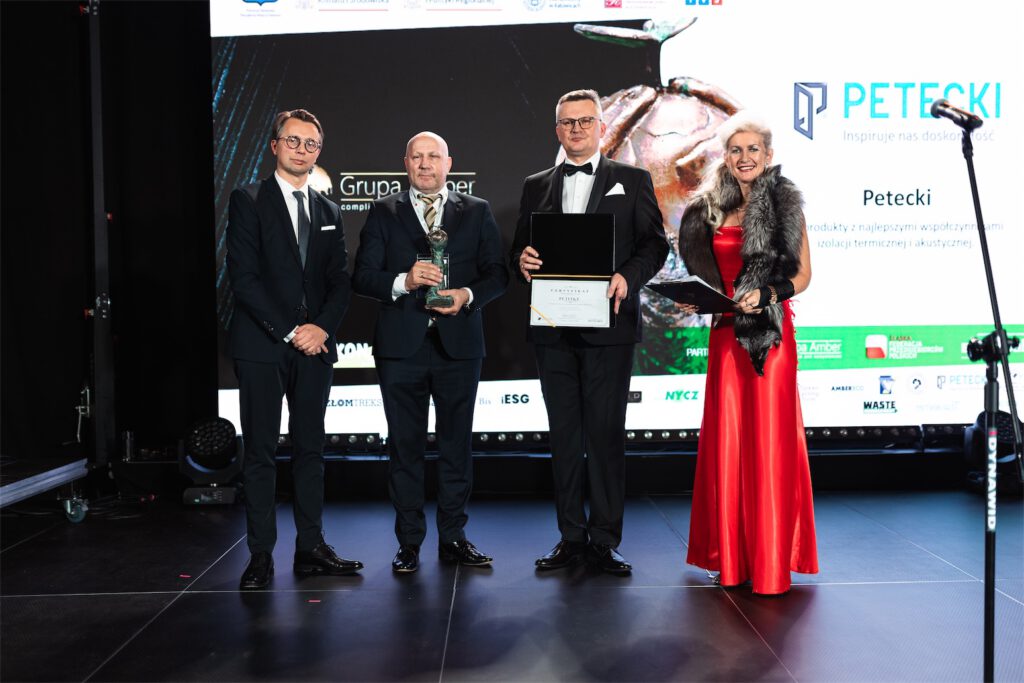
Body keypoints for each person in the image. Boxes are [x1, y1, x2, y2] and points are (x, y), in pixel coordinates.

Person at [510, 89, 669, 575]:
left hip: (609, 329)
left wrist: (627, 277)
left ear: (601, 127)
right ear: (556, 129)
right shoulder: (535, 184)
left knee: (604, 436)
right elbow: (521, 249)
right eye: (567, 122)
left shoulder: (633, 180)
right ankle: (570, 537)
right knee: (563, 437)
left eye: (584, 121)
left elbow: (655, 245)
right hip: (554, 329)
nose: (576, 129)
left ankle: (603, 539)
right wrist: (522, 260)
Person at [676, 111, 818, 595]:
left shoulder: (786, 203)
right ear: (726, 156)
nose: (744, 157)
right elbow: (707, 272)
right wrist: (696, 297)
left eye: (753, 149)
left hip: (770, 339)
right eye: (736, 149)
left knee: (769, 443)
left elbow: (803, 276)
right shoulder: (708, 208)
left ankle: (770, 558)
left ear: (768, 154)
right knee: (728, 441)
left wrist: (768, 294)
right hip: (724, 335)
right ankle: (731, 558)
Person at [353, 132, 508, 574]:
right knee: (405, 449)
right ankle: (409, 543)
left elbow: (497, 275)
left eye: (433, 156)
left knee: (457, 447)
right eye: (417, 157)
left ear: (448, 163)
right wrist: (403, 280)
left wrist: (466, 295)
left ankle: (454, 537)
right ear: (405, 163)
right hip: (401, 348)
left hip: (459, 347)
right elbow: (362, 276)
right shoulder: (383, 211)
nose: (425, 164)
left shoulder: (476, 211)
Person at [227, 108, 362, 590]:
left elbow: (339, 282)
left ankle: (311, 548)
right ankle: (260, 555)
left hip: (315, 348)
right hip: (262, 346)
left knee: (311, 450)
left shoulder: (328, 210)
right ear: (274, 145)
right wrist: (291, 331)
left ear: (318, 151)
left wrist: (320, 328)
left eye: (311, 144)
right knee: (260, 453)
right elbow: (244, 278)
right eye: (293, 140)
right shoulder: (248, 199)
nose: (302, 150)